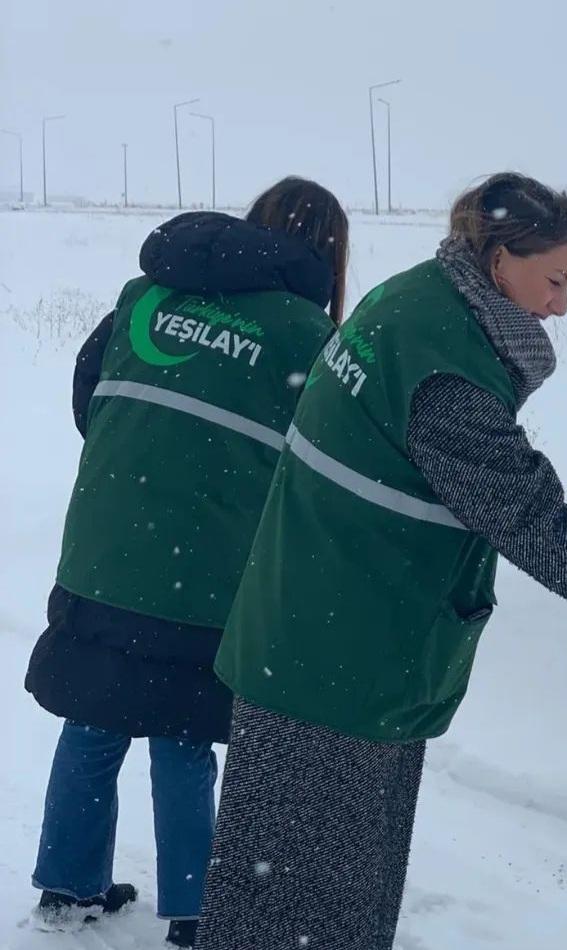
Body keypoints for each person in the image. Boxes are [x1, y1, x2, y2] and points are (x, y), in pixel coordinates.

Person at [195, 171, 567, 950]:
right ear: (501, 258)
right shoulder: (448, 370)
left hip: (308, 630)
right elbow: (528, 518)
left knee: (287, 890)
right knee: (311, 907)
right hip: (341, 659)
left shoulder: (413, 298)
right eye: (556, 281)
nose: (560, 307)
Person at [24, 177, 349, 948]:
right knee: (181, 729)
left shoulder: (145, 296)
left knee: (93, 713)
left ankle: (67, 890)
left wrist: (142, 472)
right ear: (328, 255)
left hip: (104, 547)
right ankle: (194, 913)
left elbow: (87, 393)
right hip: (207, 567)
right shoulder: (305, 333)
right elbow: (324, 460)